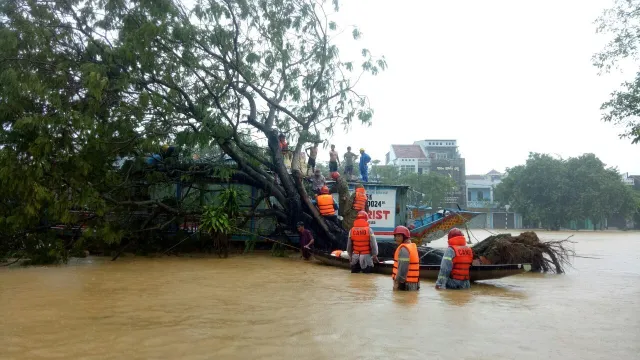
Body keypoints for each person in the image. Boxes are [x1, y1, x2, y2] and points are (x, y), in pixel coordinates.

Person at [391, 225, 420, 291]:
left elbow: (402, 268)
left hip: (405, 283)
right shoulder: (411, 246)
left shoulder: (404, 249)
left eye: (399, 236)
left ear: (404, 237)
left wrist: (397, 283)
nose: (396, 238)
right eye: (395, 236)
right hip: (412, 283)